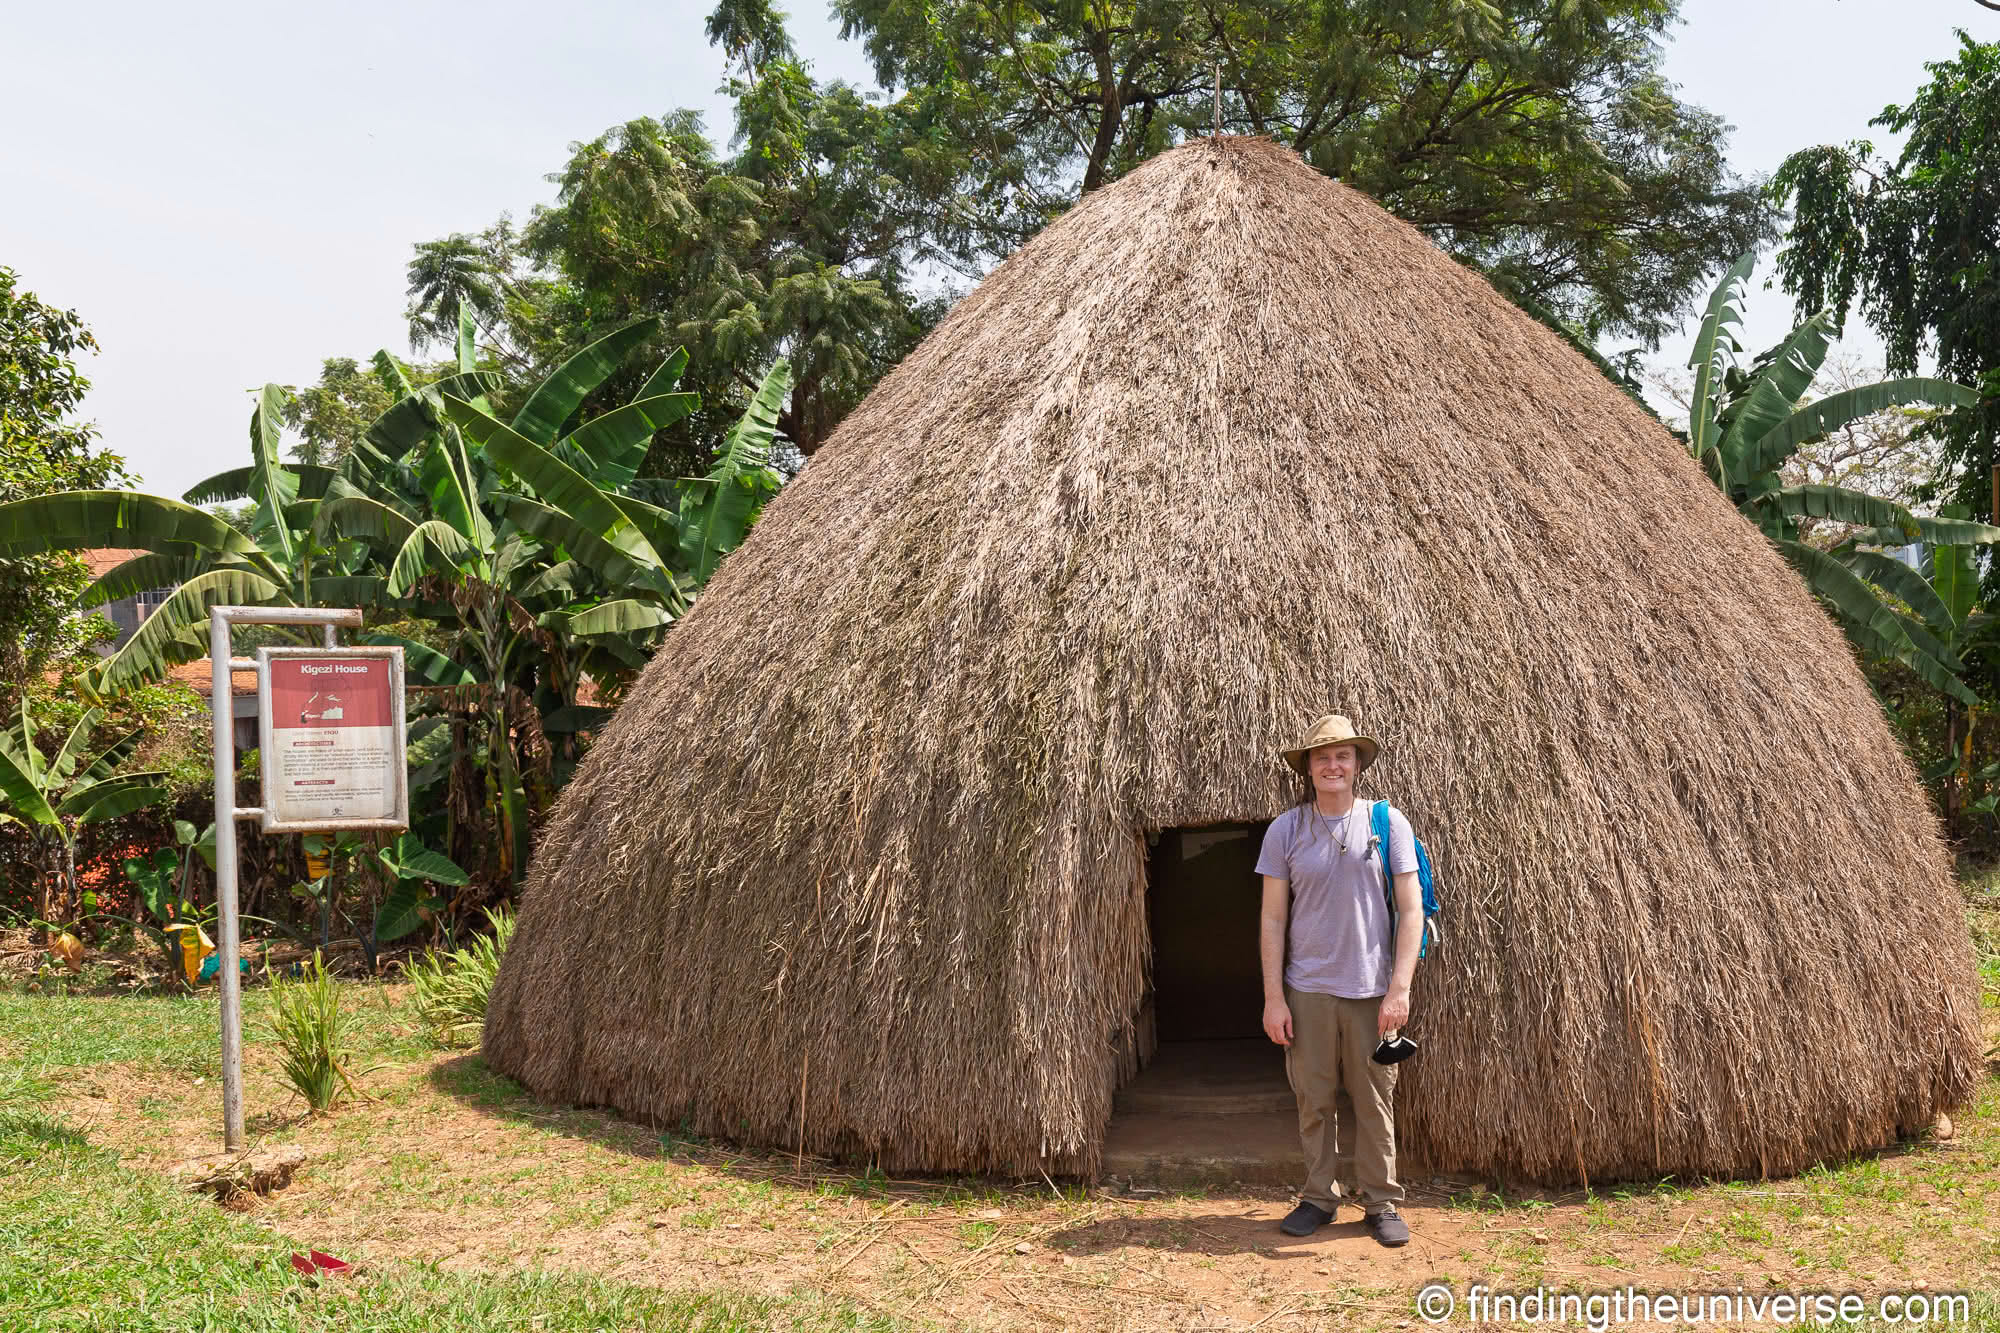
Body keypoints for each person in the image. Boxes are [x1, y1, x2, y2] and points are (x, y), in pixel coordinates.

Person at [1255, 713, 1422, 1244]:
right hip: (1307, 991)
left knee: (1375, 1101)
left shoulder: (1386, 823)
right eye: (1322, 757)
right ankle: (1319, 1198)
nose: (1333, 765)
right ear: (1308, 767)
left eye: (1342, 756)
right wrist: (1274, 998)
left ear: (1356, 765)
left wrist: (1399, 988)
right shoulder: (1286, 830)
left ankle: (1381, 1203)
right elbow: (1272, 918)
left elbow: (1412, 910)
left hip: (1371, 991)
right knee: (1314, 1100)